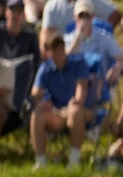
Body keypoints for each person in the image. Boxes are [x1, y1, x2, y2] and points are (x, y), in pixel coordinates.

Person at [30, 33, 94, 168]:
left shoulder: (78, 62)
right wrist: (45, 100)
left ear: (64, 49)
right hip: (58, 113)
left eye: (60, 48)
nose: (58, 52)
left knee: (75, 111)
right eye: (54, 49)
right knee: (37, 114)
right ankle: (40, 162)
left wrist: (77, 101)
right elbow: (36, 91)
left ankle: (74, 161)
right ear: (49, 52)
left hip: (82, 110)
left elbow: (82, 86)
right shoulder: (45, 68)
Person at [65, 0, 123, 85]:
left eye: (87, 16)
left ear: (93, 17)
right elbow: (64, 61)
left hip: (98, 87)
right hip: (74, 85)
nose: (84, 20)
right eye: (81, 16)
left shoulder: (104, 37)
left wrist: (118, 67)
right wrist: (78, 37)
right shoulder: (67, 39)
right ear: (74, 17)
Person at [0, 0, 41, 75]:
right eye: (13, 10)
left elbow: (36, 63)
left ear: (24, 15)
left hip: (20, 78)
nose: (15, 14)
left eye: (19, 10)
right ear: (6, 12)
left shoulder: (30, 36)